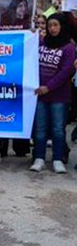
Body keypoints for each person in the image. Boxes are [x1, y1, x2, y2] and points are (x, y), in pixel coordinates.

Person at [30, 13, 75, 174]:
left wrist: (48, 87)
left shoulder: (69, 47)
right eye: (50, 25)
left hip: (59, 96)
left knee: (58, 129)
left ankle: (57, 159)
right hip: (40, 94)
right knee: (40, 128)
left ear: (61, 26)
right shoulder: (42, 43)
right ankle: (39, 158)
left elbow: (66, 71)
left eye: (56, 25)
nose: (52, 28)